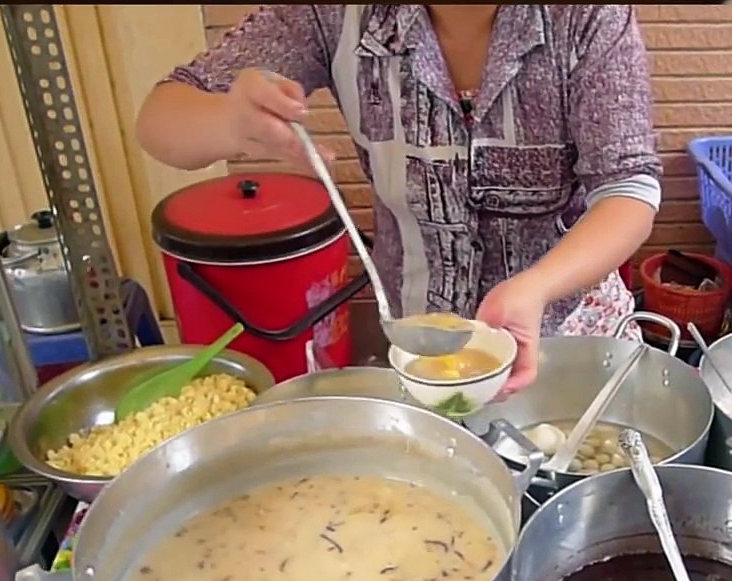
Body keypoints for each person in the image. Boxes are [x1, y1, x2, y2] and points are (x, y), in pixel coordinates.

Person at [136, 4, 661, 394]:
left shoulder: (588, 16)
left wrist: (538, 286)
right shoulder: (337, 15)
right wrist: (230, 120)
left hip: (571, 344)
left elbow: (628, 189)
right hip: (418, 352)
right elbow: (161, 120)